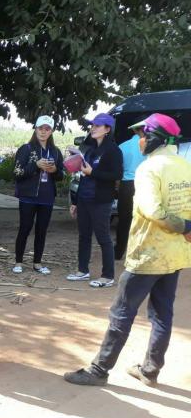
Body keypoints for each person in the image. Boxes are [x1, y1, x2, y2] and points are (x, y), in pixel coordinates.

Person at [64, 113, 191, 387]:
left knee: (121, 311)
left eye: (142, 136)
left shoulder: (149, 168)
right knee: (162, 314)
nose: (139, 141)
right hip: (176, 254)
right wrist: (186, 227)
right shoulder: (184, 166)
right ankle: (150, 370)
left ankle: (99, 370)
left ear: (155, 138)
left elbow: (152, 210)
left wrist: (183, 225)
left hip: (148, 253)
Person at [66, 112, 123, 287]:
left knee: (103, 237)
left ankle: (108, 276)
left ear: (107, 129)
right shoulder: (90, 150)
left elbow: (116, 175)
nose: (93, 128)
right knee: (84, 235)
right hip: (84, 198)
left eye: (97, 126)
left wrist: (93, 172)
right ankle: (82, 271)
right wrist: (75, 202)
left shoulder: (113, 150)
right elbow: (83, 177)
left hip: (101, 200)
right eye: (92, 125)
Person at [11, 115, 64, 274]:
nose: (43, 132)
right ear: (35, 129)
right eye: (40, 128)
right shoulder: (26, 148)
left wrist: (54, 170)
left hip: (47, 197)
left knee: (42, 230)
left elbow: (61, 176)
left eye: (47, 129)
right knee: (25, 228)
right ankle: (18, 262)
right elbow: (17, 173)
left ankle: (37, 263)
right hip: (28, 196)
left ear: (51, 131)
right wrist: (35, 165)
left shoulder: (56, 151)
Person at [115, 130, 147, 260]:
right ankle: (139, 253)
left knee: (124, 220)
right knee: (142, 220)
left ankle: (119, 252)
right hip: (144, 184)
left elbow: (118, 169)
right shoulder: (150, 146)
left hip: (126, 185)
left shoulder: (123, 146)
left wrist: (118, 186)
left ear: (134, 130)